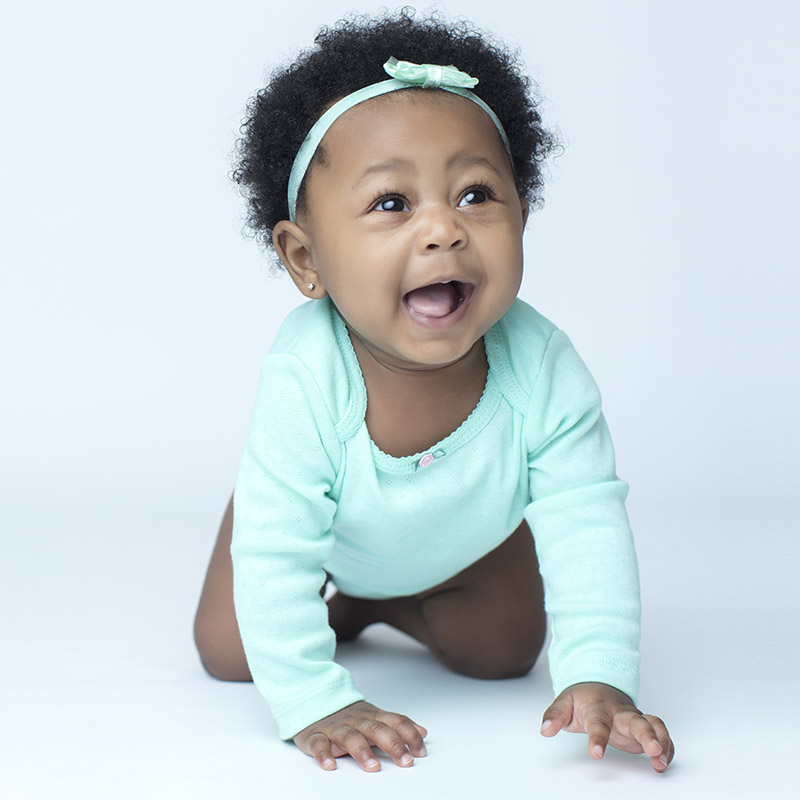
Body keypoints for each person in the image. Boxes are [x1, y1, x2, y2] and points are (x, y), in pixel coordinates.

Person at [193, 11, 674, 774]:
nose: (444, 230)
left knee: (506, 651)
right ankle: (342, 591)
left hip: (466, 544)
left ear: (523, 211)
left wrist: (601, 675)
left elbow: (585, 519)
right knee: (229, 650)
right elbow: (280, 551)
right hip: (317, 525)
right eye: (392, 203)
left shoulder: (542, 365)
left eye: (477, 194)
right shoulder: (307, 372)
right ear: (304, 258)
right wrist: (317, 702)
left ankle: (371, 603)